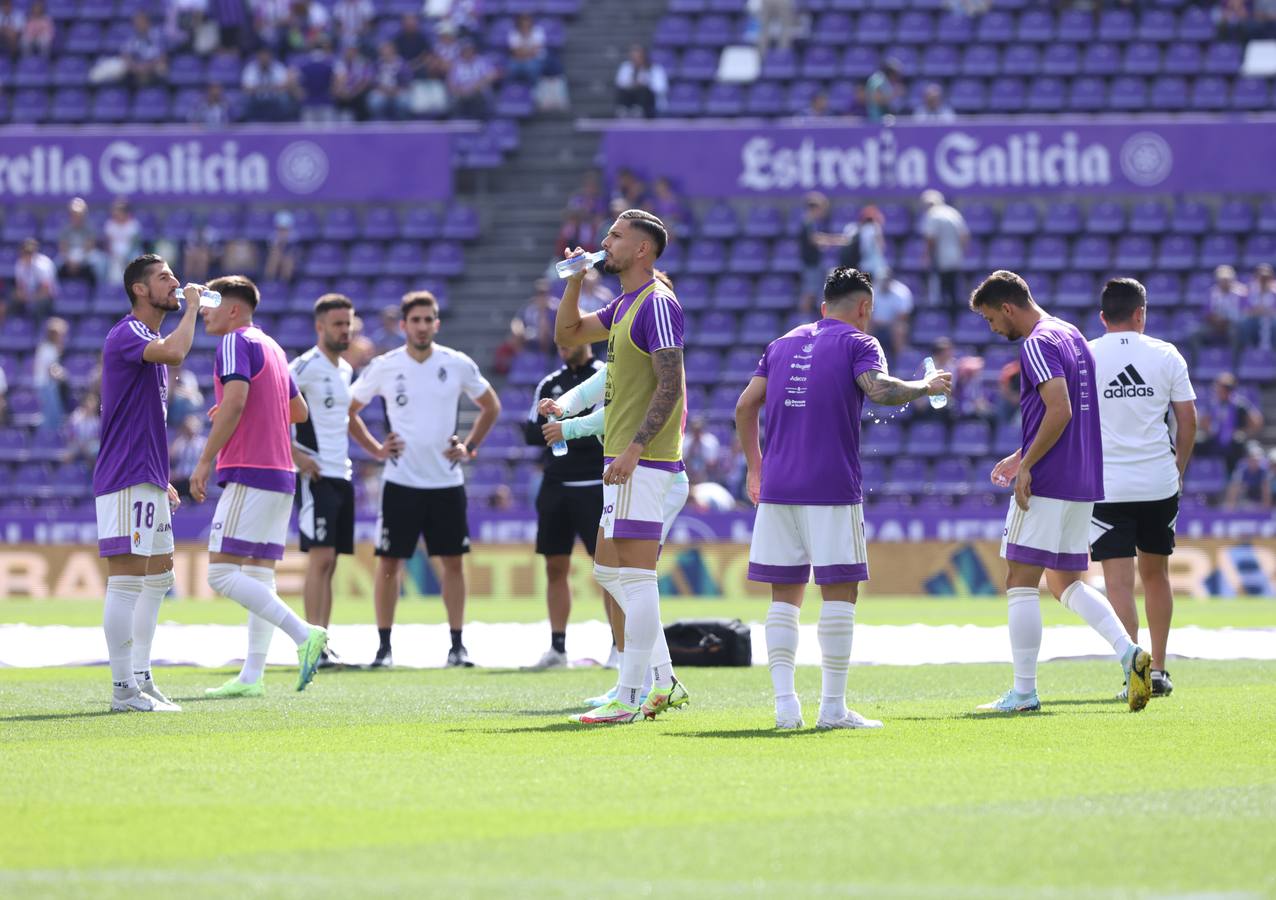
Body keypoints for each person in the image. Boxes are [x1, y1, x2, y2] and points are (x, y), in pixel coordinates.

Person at [736, 267, 951, 730]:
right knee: (839, 592)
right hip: (831, 486)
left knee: (783, 597)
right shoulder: (860, 342)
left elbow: (743, 406)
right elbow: (879, 390)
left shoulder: (781, 343)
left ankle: (785, 709)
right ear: (865, 308)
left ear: (821, 306)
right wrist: (925, 387)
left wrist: (756, 467)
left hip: (778, 489)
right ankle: (832, 709)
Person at [969, 270, 1153, 714]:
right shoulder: (1071, 334)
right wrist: (1020, 455)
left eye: (992, 318)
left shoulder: (1036, 344)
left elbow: (1060, 409)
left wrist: (1028, 466)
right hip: (1083, 478)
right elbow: (1067, 415)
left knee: (1019, 581)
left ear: (1008, 307)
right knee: (1067, 581)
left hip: (1049, 481)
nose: (993, 329)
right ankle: (1131, 654)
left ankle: (1024, 693)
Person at [554, 209, 690, 725]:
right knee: (609, 569)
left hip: (644, 460)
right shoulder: (626, 303)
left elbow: (670, 383)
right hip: (626, 459)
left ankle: (631, 696)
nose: (604, 243)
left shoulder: (657, 303)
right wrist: (574, 283)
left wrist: (635, 447)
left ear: (642, 250)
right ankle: (663, 680)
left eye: (615, 236)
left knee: (635, 577)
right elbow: (568, 334)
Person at [190, 275, 329, 698]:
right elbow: (298, 411)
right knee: (257, 573)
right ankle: (252, 676)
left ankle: (304, 633)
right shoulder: (272, 346)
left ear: (234, 309)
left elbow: (236, 401)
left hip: (249, 468)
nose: (204, 310)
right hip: (281, 473)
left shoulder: (234, 342)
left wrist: (204, 459)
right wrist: (245, 406)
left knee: (220, 572)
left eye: (211, 302)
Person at [348, 291, 501, 668]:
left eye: (428, 319)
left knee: (452, 563)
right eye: (414, 320)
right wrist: (376, 448)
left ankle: (457, 645)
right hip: (400, 482)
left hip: (446, 482)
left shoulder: (456, 363)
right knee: (388, 565)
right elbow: (350, 409)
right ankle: (384, 648)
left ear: (437, 323)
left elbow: (491, 405)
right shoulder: (385, 366)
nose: (421, 326)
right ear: (403, 325)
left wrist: (469, 446)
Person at [94, 254, 201, 713]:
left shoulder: (150, 339)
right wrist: (194, 306)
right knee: (126, 583)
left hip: (147, 476)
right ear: (140, 289)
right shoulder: (130, 333)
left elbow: (145, 420)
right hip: (124, 476)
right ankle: (123, 691)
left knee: (159, 577)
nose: (175, 283)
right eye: (164, 278)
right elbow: (178, 351)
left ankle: (141, 676)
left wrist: (162, 478)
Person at [1088, 278, 1197, 701]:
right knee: (1157, 575)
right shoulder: (1166, 354)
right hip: (1157, 483)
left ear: (1103, 317)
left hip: (1108, 486)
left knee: (1118, 582)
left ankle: (1132, 671)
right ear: (1141, 313)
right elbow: (1188, 421)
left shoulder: (1089, 354)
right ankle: (1162, 670)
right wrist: (1178, 468)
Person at [290, 294, 403, 658]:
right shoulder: (303, 368)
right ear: (320, 327)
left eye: (349, 324)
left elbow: (347, 419)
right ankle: (311, 644)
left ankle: (322, 642)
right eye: (338, 324)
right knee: (320, 560)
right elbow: (271, 412)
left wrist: (375, 450)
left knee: (332, 562)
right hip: (315, 474)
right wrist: (297, 457)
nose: (346, 330)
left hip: (341, 474)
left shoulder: (343, 370)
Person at [521, 342, 607, 669]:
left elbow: (610, 425)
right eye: (559, 342)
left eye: (570, 340)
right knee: (554, 566)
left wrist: (566, 429)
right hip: (556, 483)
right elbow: (532, 432)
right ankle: (558, 648)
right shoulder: (549, 383)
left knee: (607, 569)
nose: (564, 348)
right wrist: (553, 424)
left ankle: (619, 646)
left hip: (594, 483)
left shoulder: (602, 376)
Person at [1197, 372, 1263, 475]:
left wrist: (1243, 432)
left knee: (1239, 443)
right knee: (1195, 444)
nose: (1218, 390)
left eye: (1222, 387)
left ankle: (1235, 478)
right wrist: (1209, 429)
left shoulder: (1239, 404)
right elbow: (1202, 421)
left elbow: (1256, 421)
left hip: (1234, 443)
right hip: (1216, 440)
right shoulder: (1213, 404)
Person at [919, 189, 969, 309]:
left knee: (941, 291)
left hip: (941, 258)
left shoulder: (933, 215)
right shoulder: (953, 212)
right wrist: (959, 251)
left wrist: (926, 256)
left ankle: (943, 315)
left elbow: (931, 238)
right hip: (955, 256)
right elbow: (964, 235)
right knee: (954, 290)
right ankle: (953, 316)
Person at [32, 317, 69, 437]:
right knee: (52, 415)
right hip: (46, 385)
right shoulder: (48, 348)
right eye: (60, 335)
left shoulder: (48, 347)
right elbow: (51, 371)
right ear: (53, 335)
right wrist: (63, 376)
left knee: (54, 415)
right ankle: (46, 440)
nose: (62, 337)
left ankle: (49, 439)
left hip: (46, 385)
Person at [57, 197, 100, 288]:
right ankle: (58, 293)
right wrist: (69, 260)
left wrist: (79, 261)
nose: (76, 218)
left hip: (84, 254)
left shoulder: (89, 228)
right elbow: (63, 247)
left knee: (99, 263)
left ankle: (97, 291)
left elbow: (90, 247)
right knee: (56, 264)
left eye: (79, 215)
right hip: (69, 254)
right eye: (74, 215)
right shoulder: (66, 229)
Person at [614, 44, 666, 118]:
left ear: (644, 56)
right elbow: (619, 83)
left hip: (648, 100)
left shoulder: (655, 69)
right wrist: (633, 84)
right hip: (630, 97)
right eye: (634, 57)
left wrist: (645, 83)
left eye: (639, 57)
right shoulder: (626, 66)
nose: (636, 60)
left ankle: (639, 110)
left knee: (643, 90)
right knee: (623, 91)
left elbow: (661, 88)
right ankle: (623, 111)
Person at [13, 238, 58, 321]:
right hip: (29, 295)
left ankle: (37, 331)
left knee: (38, 306)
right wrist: (21, 295)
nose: (28, 255)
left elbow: (45, 291)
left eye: (30, 253)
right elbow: (19, 287)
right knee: (12, 302)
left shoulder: (43, 265)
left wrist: (30, 298)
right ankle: (15, 329)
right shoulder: (19, 264)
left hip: (48, 297)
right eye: (25, 252)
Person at [1224, 442, 1273, 510]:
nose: (1254, 462)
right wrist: (1231, 506)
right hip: (1247, 495)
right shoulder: (1241, 470)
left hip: (1259, 495)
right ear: (1247, 459)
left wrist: (1265, 507)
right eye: (1252, 459)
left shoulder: (1264, 470)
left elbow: (1266, 490)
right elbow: (1234, 488)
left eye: (1257, 459)